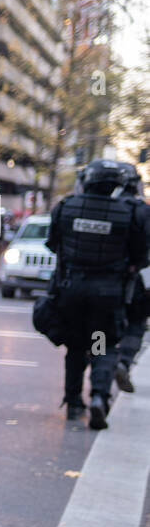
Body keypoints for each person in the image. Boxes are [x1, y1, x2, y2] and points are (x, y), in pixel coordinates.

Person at [45, 159, 150, 428]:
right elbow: (140, 256)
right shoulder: (128, 213)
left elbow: (53, 244)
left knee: (76, 346)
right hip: (107, 294)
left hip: (72, 290)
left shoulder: (66, 207)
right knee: (101, 345)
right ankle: (99, 398)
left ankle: (73, 402)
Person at [114, 161, 148, 393]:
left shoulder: (103, 206)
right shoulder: (144, 211)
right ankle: (123, 362)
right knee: (136, 326)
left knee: (100, 330)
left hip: (105, 281)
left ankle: (99, 368)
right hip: (140, 281)